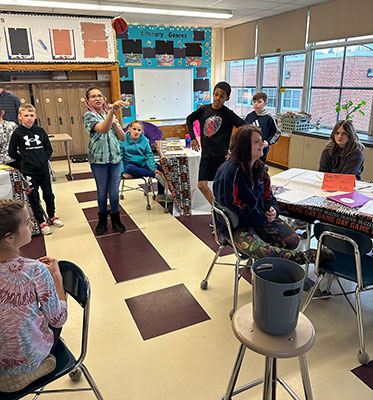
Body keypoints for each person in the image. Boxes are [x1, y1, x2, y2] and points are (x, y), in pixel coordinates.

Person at [213, 125, 334, 265]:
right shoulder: (230, 172)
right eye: (256, 142)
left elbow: (268, 196)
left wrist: (273, 210)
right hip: (234, 226)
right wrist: (262, 217)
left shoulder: (259, 168)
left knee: (292, 240)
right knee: (263, 251)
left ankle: (273, 262)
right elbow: (233, 210)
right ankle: (307, 257)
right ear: (244, 146)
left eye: (261, 140)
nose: (262, 144)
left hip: (258, 219)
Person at [0, 199, 67, 393]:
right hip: (26, 357)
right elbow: (58, 319)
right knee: (52, 316)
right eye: (27, 222)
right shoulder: (35, 270)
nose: (33, 225)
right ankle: (33, 368)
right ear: (9, 237)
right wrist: (56, 277)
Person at [186, 81, 246, 217]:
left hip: (222, 158)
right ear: (212, 94)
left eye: (222, 96)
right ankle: (220, 212)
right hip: (206, 156)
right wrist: (193, 138)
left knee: (223, 188)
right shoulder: (204, 109)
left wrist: (234, 151)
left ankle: (226, 213)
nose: (218, 98)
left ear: (227, 98)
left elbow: (244, 128)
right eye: (216, 95)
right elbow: (189, 119)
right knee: (201, 185)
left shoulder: (228, 114)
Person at [8, 104, 64, 235]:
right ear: (20, 117)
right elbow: (12, 152)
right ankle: (41, 220)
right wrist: (24, 160)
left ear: (35, 116)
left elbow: (48, 148)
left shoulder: (40, 131)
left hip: (43, 170)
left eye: (31, 115)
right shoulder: (17, 133)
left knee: (49, 195)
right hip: (28, 172)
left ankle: (52, 216)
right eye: (26, 115)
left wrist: (43, 159)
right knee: (34, 196)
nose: (29, 118)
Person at [83, 86, 127, 235]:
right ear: (88, 100)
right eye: (93, 96)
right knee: (102, 192)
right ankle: (102, 220)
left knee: (114, 192)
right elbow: (103, 129)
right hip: (99, 160)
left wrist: (115, 122)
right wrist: (111, 113)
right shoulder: (89, 116)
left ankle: (116, 218)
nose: (97, 98)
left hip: (115, 159)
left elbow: (122, 137)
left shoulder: (111, 116)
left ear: (104, 99)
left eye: (100, 96)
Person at [120, 120, 169, 201]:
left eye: (139, 130)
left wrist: (154, 168)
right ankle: (155, 175)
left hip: (143, 162)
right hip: (130, 164)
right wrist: (123, 173)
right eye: (134, 129)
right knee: (129, 168)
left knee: (161, 169)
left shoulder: (145, 140)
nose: (136, 132)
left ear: (142, 131)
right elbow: (120, 158)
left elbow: (149, 155)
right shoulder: (122, 140)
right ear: (129, 129)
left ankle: (160, 194)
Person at [244, 92, 280, 162]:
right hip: (249, 147)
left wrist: (268, 142)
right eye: (254, 102)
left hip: (262, 149)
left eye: (259, 102)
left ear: (265, 104)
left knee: (259, 167)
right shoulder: (249, 116)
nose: (256, 104)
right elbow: (244, 130)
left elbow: (277, 132)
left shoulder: (269, 118)